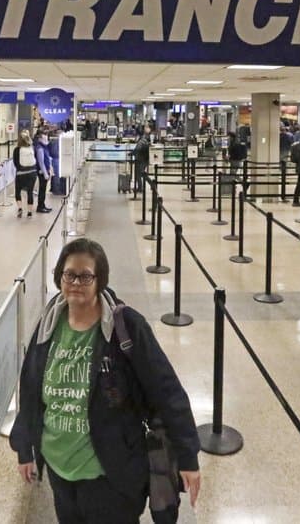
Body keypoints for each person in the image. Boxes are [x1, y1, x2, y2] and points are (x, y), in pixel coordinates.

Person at [10, 238, 201, 524]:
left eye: (85, 276)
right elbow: (31, 386)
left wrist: (187, 456)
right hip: (60, 470)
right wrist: (24, 446)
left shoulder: (127, 328)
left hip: (111, 475)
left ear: (100, 280)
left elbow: (167, 390)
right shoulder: (49, 323)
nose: (75, 282)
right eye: (69, 274)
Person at [13, 131, 37, 218]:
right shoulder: (32, 148)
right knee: (30, 192)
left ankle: (20, 208)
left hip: (21, 173)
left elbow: (15, 163)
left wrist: (20, 169)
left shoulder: (17, 149)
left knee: (17, 191)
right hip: (32, 173)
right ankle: (29, 212)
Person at [34, 131, 54, 213]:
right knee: (42, 190)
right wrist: (45, 173)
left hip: (45, 170)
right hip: (42, 172)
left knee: (43, 189)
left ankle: (42, 205)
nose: (46, 137)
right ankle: (40, 206)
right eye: (44, 136)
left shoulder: (44, 147)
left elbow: (47, 159)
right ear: (40, 138)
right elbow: (41, 162)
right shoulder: (39, 148)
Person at [132, 125, 151, 193]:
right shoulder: (146, 138)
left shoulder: (143, 138)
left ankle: (147, 185)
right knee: (140, 173)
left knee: (140, 173)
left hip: (141, 159)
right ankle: (142, 186)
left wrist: (132, 153)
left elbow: (138, 148)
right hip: (144, 158)